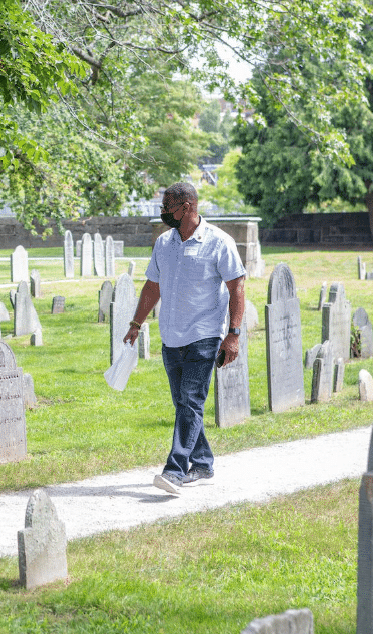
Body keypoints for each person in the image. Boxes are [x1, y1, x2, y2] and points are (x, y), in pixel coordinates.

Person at [122, 182, 246, 496]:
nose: (163, 213)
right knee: (184, 405)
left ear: (187, 206)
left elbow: (237, 288)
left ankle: (175, 470)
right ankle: (203, 463)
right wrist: (137, 322)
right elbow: (152, 287)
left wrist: (233, 335)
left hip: (204, 336)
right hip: (171, 336)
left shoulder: (219, 242)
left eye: (168, 208)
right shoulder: (164, 243)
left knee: (190, 401)